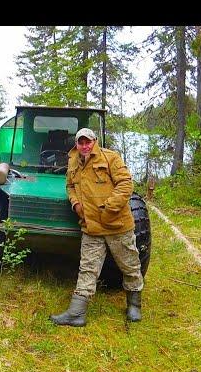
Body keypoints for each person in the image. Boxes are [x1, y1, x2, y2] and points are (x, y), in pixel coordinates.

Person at [50, 128, 143, 326]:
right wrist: (75, 203)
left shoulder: (110, 157)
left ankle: (134, 304)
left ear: (95, 141)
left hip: (116, 224)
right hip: (90, 226)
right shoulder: (73, 160)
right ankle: (77, 313)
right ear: (76, 144)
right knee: (87, 268)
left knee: (129, 265)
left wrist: (109, 209)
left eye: (88, 142)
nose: (84, 146)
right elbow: (70, 186)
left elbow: (126, 184)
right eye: (80, 142)